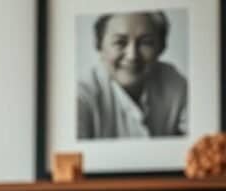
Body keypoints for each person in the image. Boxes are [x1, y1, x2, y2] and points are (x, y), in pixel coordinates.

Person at [78, 11, 187, 139]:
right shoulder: (82, 95)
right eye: (120, 42)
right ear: (99, 46)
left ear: (161, 47)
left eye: (145, 43)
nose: (132, 56)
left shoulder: (175, 83)